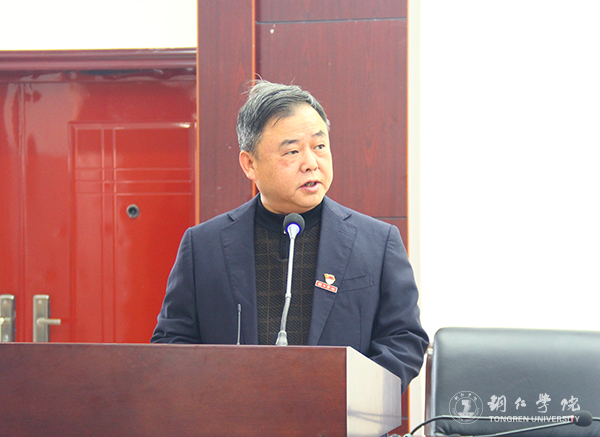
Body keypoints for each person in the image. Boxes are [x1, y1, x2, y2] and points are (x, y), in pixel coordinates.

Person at [151, 81, 429, 393]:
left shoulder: (377, 242)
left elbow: (404, 339)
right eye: (293, 151)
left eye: (319, 146)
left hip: (340, 414)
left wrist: (353, 397)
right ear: (250, 164)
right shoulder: (204, 245)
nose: (311, 163)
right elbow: (172, 343)